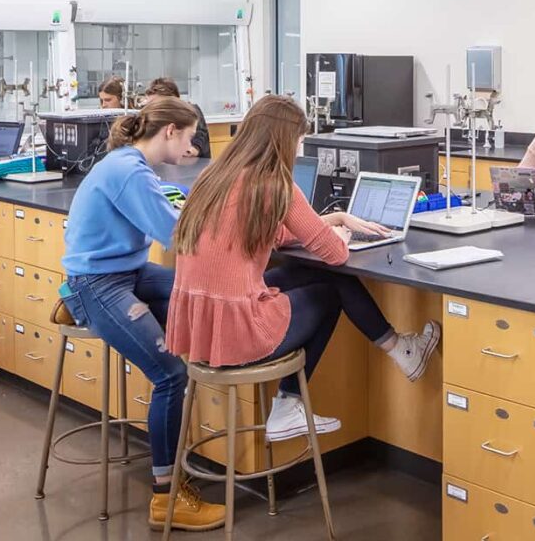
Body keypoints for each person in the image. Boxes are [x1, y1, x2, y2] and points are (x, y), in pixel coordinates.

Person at [166, 94, 441, 444]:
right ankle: (289, 402)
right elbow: (335, 254)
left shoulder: (215, 176)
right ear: (284, 140)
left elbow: (273, 234)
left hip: (201, 326)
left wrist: (335, 218)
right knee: (330, 287)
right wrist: (336, 233)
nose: (300, 149)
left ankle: (400, 349)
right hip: (238, 334)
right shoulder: (275, 184)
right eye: (299, 141)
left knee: (312, 275)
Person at [60, 97, 227, 531]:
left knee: (201, 292)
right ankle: (166, 496)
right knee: (171, 375)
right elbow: (176, 235)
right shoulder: (130, 171)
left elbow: (175, 218)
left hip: (127, 271)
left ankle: (86, 307)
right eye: (189, 137)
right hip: (100, 282)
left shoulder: (131, 164)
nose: (191, 147)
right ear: (169, 131)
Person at [144, 77, 211, 158]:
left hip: (195, 164)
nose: (153, 109)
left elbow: (198, 138)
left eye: (157, 104)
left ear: (173, 101)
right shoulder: (158, 117)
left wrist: (193, 149)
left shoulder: (191, 111)